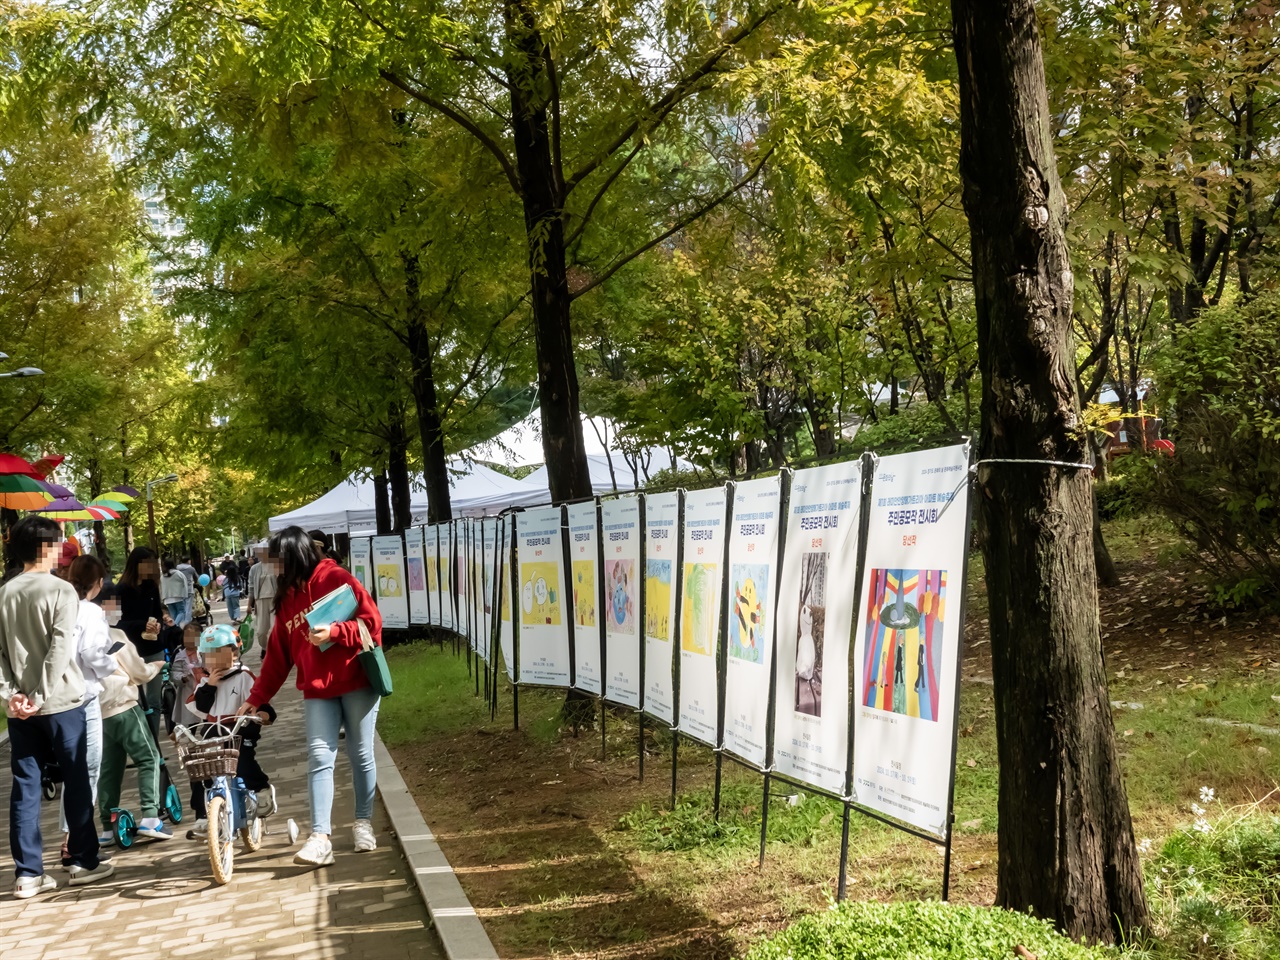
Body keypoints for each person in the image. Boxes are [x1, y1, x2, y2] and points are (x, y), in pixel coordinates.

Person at [239, 526, 383, 867]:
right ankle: (321, 838)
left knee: (360, 754)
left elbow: (372, 623)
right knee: (319, 756)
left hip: (357, 681)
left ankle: (363, 822)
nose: (274, 569)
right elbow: (278, 656)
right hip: (317, 690)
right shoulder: (286, 597)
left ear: (295, 556)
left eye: (278, 561)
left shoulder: (336, 577)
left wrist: (335, 631)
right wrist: (257, 697)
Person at [0, 516, 113, 896]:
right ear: (46, 547)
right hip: (62, 702)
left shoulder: (5, 593)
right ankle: (83, 861)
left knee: (26, 787)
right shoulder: (62, 591)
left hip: (19, 709)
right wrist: (40, 695)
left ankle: (28, 873)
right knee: (77, 779)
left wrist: (11, 694)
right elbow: (60, 649)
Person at [95, 590, 173, 843]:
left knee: (109, 769)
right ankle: (151, 816)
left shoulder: (77, 635)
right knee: (148, 758)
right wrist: (157, 666)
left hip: (97, 714)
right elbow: (138, 672)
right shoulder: (115, 635)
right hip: (124, 707)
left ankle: (107, 825)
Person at [184, 625, 276, 837]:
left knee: (243, 761)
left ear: (235, 653)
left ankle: (261, 789)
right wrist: (210, 686)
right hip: (213, 733)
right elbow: (201, 707)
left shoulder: (244, 676)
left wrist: (263, 714)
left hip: (239, 733)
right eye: (209, 655)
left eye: (220, 653)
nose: (213, 660)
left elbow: (259, 701)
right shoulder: (205, 681)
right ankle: (202, 815)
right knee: (200, 768)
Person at [58, 556, 118, 867]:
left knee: (72, 770)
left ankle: (71, 838)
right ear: (97, 584)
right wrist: (112, 663)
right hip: (84, 695)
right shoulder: (91, 611)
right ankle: (75, 841)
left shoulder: (59, 604)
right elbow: (93, 653)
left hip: (57, 696)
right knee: (88, 768)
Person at [117, 547, 177, 740]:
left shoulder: (152, 586)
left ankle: (152, 741)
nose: (152, 568)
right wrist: (141, 625)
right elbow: (114, 623)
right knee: (135, 698)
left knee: (154, 701)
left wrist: (160, 624)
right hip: (131, 651)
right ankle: (139, 737)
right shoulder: (120, 590)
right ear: (136, 565)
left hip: (154, 647)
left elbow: (157, 614)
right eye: (148, 564)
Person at [247, 547, 279, 658]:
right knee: (261, 630)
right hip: (260, 601)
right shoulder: (254, 569)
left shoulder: (276, 565)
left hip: (275, 599)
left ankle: (275, 651)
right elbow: (250, 587)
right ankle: (265, 647)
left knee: (275, 627)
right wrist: (249, 605)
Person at [160, 559, 188, 626]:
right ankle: (174, 625)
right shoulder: (179, 574)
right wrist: (185, 595)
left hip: (167, 598)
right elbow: (185, 584)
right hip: (178, 596)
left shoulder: (162, 576)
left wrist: (162, 598)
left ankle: (174, 628)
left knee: (173, 614)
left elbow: (160, 587)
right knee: (181, 612)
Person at [176, 556, 198, 625]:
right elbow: (197, 578)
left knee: (182, 607)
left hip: (180, 590)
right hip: (189, 589)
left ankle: (182, 622)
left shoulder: (177, 568)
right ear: (188, 561)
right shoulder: (191, 568)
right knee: (188, 607)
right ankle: (187, 622)